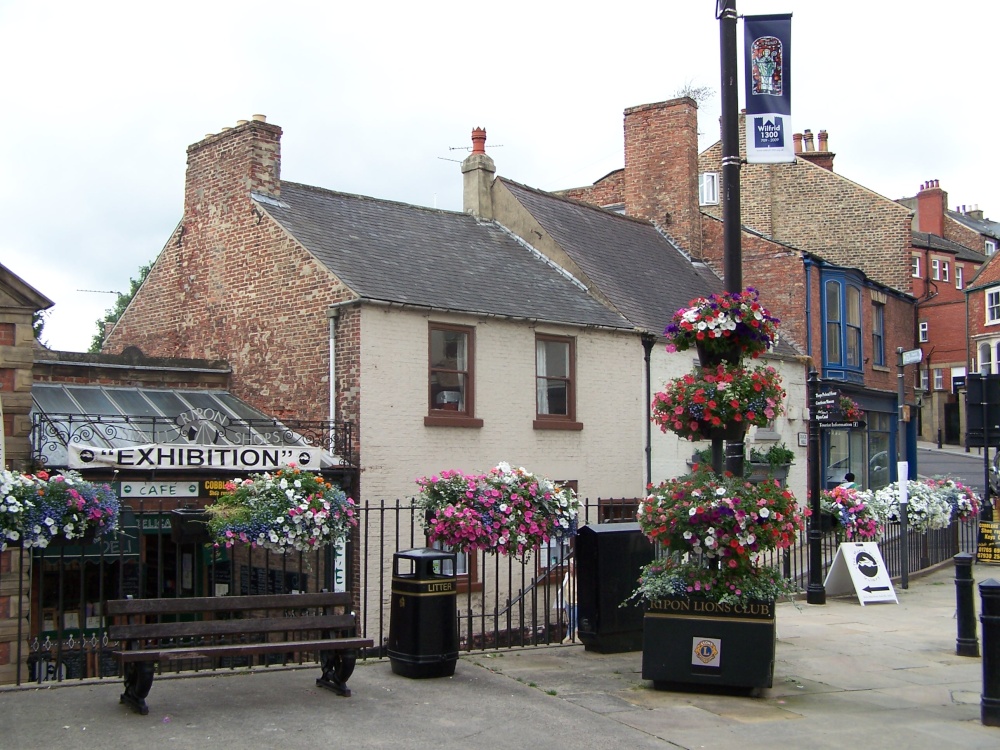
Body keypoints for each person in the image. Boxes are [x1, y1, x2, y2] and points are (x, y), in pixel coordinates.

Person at [560, 559, 577, 643]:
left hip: (577, 603)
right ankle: (570, 638)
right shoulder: (567, 575)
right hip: (568, 602)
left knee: (574, 622)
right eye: (569, 566)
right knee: (571, 622)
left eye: (571, 566)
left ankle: (568, 639)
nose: (569, 568)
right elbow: (564, 589)